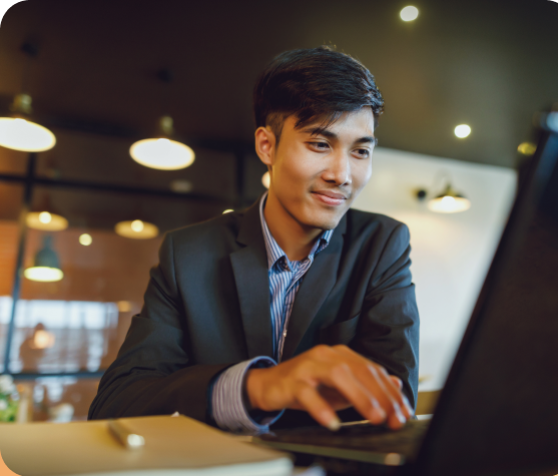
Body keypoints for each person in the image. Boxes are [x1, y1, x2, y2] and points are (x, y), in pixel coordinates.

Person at [88, 46, 419, 433]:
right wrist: (257, 387)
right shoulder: (188, 254)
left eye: (361, 151)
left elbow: (397, 404)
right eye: (320, 144)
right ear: (267, 145)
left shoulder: (382, 244)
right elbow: (117, 403)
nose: (342, 174)